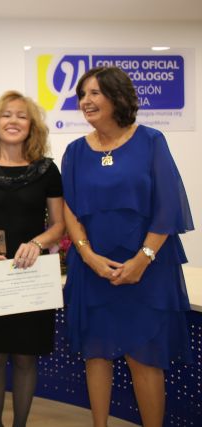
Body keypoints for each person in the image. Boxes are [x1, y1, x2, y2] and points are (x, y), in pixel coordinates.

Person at [61, 66, 194, 427]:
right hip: (94, 268)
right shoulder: (74, 151)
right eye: (82, 94)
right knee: (96, 354)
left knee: (146, 357)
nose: (85, 101)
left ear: (117, 97)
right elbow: (70, 210)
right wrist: (87, 256)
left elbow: (168, 207)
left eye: (94, 93)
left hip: (148, 270)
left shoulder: (151, 141)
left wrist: (142, 259)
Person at [0, 90, 65, 427]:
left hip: (31, 272)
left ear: (32, 126)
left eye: (22, 115)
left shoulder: (48, 170)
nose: (14, 121)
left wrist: (37, 242)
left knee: (24, 356)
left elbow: (59, 224)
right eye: (7, 115)